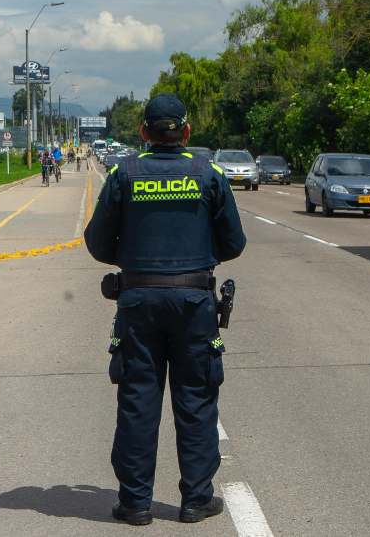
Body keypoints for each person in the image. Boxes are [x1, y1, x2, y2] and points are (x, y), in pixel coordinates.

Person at [85, 93, 246, 526]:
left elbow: (98, 245)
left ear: (143, 133)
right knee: (195, 399)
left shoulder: (123, 174)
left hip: (138, 301)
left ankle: (135, 503)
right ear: (186, 131)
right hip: (194, 302)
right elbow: (234, 243)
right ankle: (196, 499)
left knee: (138, 399)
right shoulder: (208, 174)